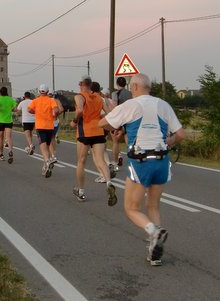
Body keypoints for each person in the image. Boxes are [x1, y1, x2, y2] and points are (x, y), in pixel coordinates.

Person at [99, 73, 184, 266]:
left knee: (131, 208)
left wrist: (119, 122)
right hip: (162, 161)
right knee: (153, 206)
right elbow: (180, 134)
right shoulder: (163, 105)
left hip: (141, 161)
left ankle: (154, 232)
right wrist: (168, 143)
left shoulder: (131, 105)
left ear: (134, 87)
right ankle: (155, 250)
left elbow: (102, 124)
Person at [70, 75, 116, 205]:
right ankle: (108, 183)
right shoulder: (99, 98)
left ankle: (81, 191)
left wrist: (74, 121)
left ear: (81, 84)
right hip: (98, 130)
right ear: (91, 85)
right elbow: (109, 113)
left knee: (81, 162)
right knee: (101, 160)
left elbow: (79, 110)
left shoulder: (79, 96)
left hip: (85, 131)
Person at [28, 84, 59, 177]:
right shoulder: (51, 100)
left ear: (39, 91)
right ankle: (46, 165)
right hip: (50, 126)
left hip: (40, 126)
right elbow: (56, 110)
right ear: (47, 91)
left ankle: (47, 161)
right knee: (48, 145)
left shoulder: (35, 101)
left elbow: (29, 109)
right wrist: (53, 115)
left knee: (43, 145)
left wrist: (35, 112)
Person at [111, 77, 133, 169]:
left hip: (120, 119)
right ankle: (132, 162)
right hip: (129, 118)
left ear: (117, 84)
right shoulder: (130, 93)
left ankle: (116, 163)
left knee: (116, 141)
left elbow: (115, 106)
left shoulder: (115, 94)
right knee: (129, 141)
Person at [0, 87, 17, 163]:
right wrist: (9, 109)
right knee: (8, 137)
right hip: (8, 121)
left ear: (0, 92)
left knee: (0, 138)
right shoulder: (10, 99)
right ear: (7, 92)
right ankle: (10, 150)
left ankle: (1, 154)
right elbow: (15, 109)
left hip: (0, 121)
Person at [48, 91, 64, 162]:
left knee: (49, 139)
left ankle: (52, 156)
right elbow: (61, 109)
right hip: (56, 121)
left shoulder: (47, 100)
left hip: (48, 122)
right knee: (53, 138)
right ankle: (53, 153)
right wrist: (56, 115)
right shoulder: (56, 100)